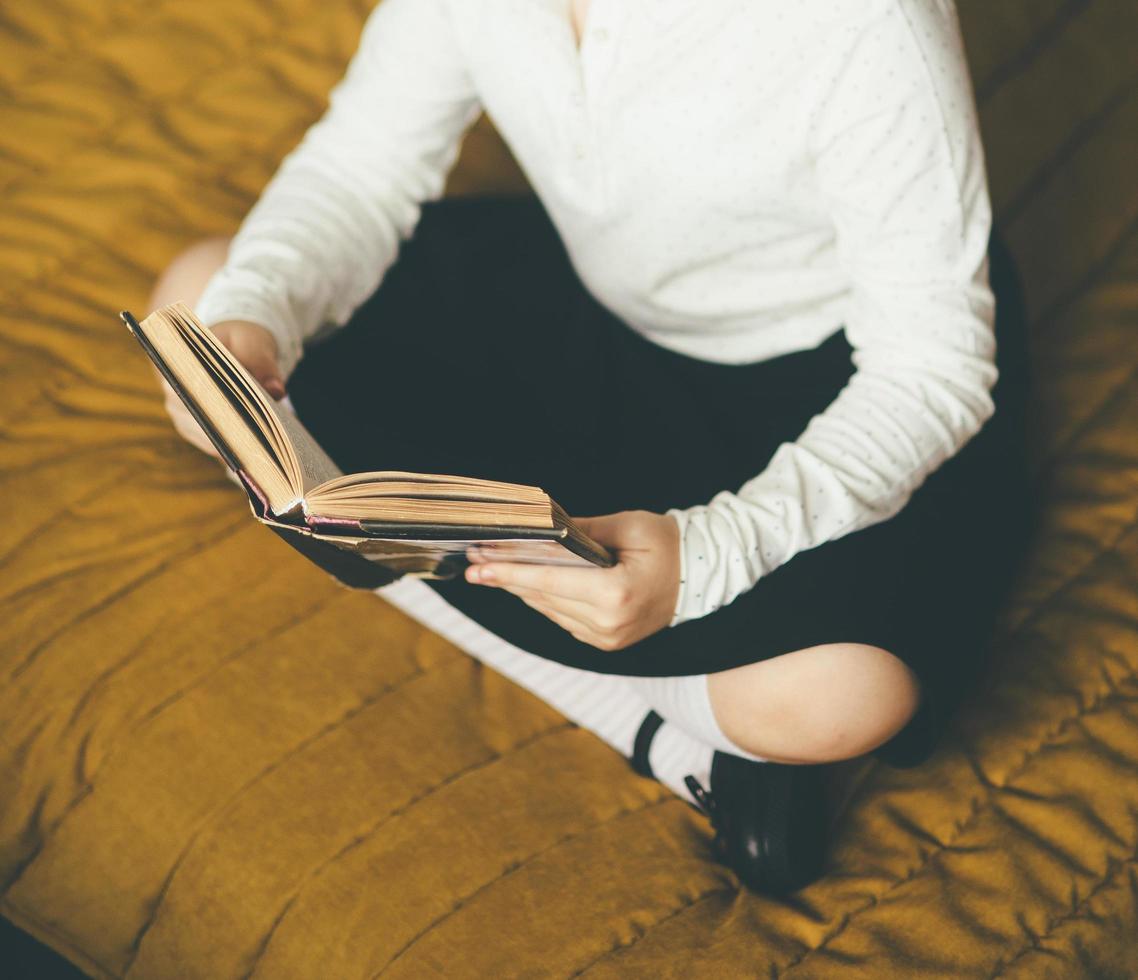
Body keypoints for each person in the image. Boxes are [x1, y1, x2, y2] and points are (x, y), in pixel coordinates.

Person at [147, 0, 1034, 896]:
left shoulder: (863, 21)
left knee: (842, 699)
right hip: (591, 314)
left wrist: (708, 559)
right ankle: (669, 718)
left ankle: (674, 722)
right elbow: (359, 167)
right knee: (201, 299)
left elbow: (934, 367)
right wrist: (258, 315)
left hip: (826, 388)